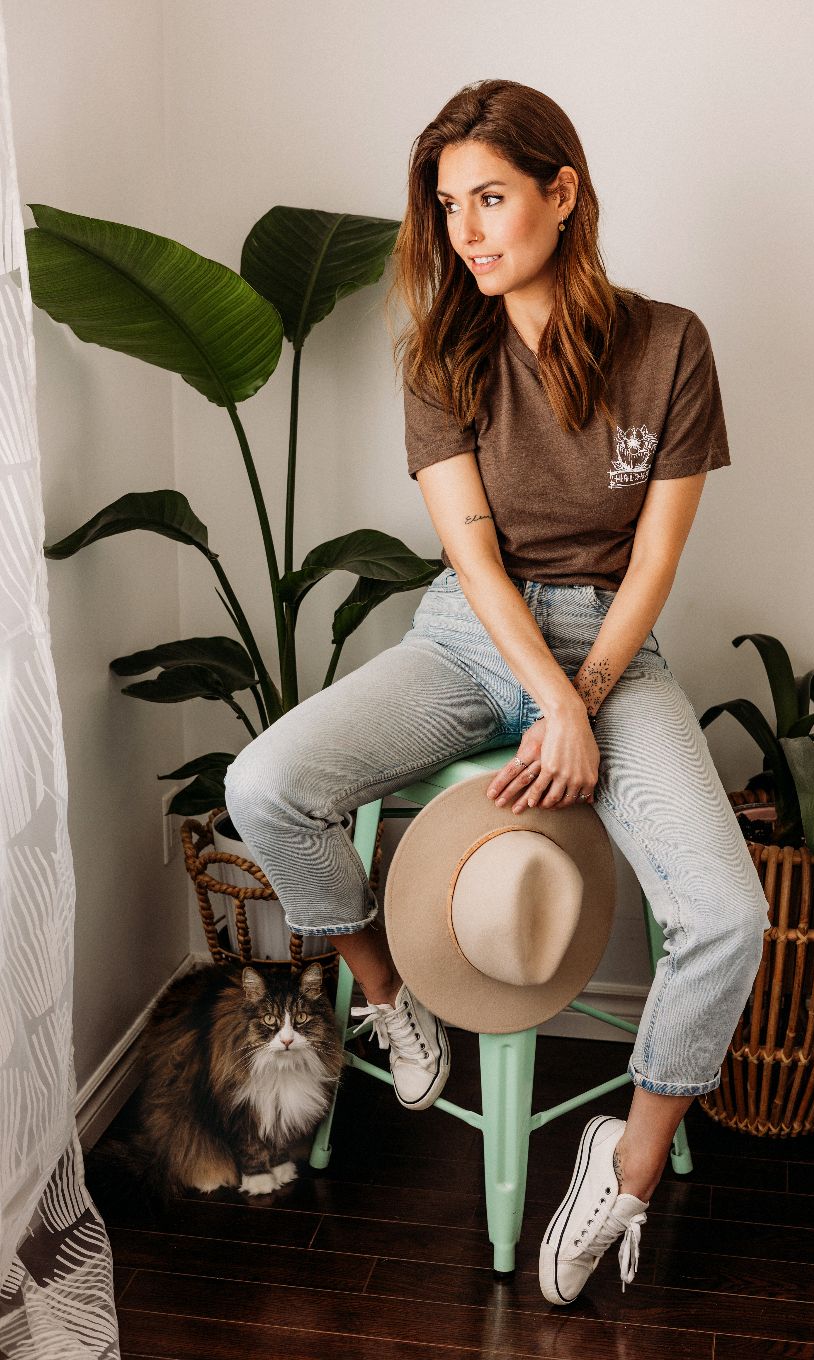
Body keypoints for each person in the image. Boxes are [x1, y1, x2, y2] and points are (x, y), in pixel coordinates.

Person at [223, 77, 770, 1302]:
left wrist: (586, 690)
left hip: (610, 643)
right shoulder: (443, 353)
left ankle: (624, 1163)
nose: (464, 231)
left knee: (728, 914)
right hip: (467, 635)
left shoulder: (670, 344)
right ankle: (386, 996)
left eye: (489, 197)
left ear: (561, 193)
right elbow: (471, 559)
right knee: (263, 783)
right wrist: (549, 700)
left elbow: (654, 561)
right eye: (446, 205)